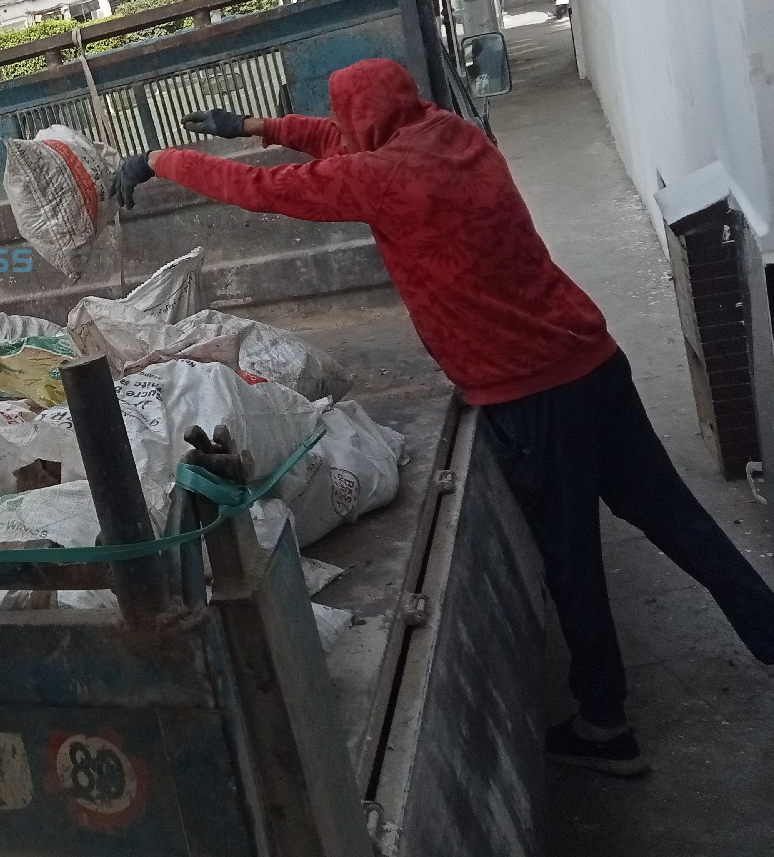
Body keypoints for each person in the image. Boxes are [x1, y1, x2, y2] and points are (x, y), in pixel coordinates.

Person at [113, 57, 774, 778]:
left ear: (364, 120)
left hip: (531, 396)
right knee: (677, 516)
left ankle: (605, 723)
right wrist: (254, 125)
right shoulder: (451, 135)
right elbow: (342, 144)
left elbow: (264, 189)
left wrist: (158, 160)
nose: (339, 133)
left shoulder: (383, 179)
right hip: (593, 361)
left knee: (573, 563)